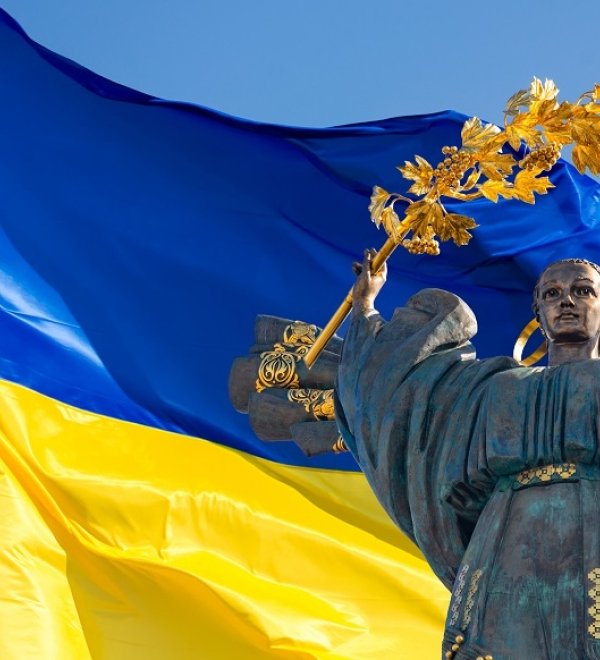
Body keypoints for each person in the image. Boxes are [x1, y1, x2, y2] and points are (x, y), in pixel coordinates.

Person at [335, 251, 600, 659]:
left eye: (582, 291)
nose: (566, 301)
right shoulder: (499, 386)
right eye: (552, 293)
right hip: (508, 542)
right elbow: (403, 393)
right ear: (539, 313)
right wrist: (366, 308)